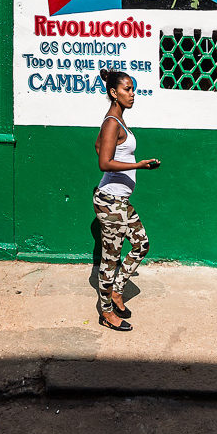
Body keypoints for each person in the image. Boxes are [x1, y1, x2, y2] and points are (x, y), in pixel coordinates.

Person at [93, 68, 160, 331]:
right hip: (110, 202)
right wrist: (139, 166)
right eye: (127, 90)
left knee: (141, 245)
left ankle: (117, 291)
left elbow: (99, 145)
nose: (132, 94)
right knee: (110, 260)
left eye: (132, 89)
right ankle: (106, 312)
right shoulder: (111, 122)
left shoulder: (117, 120)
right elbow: (103, 161)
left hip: (120, 202)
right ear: (114, 93)